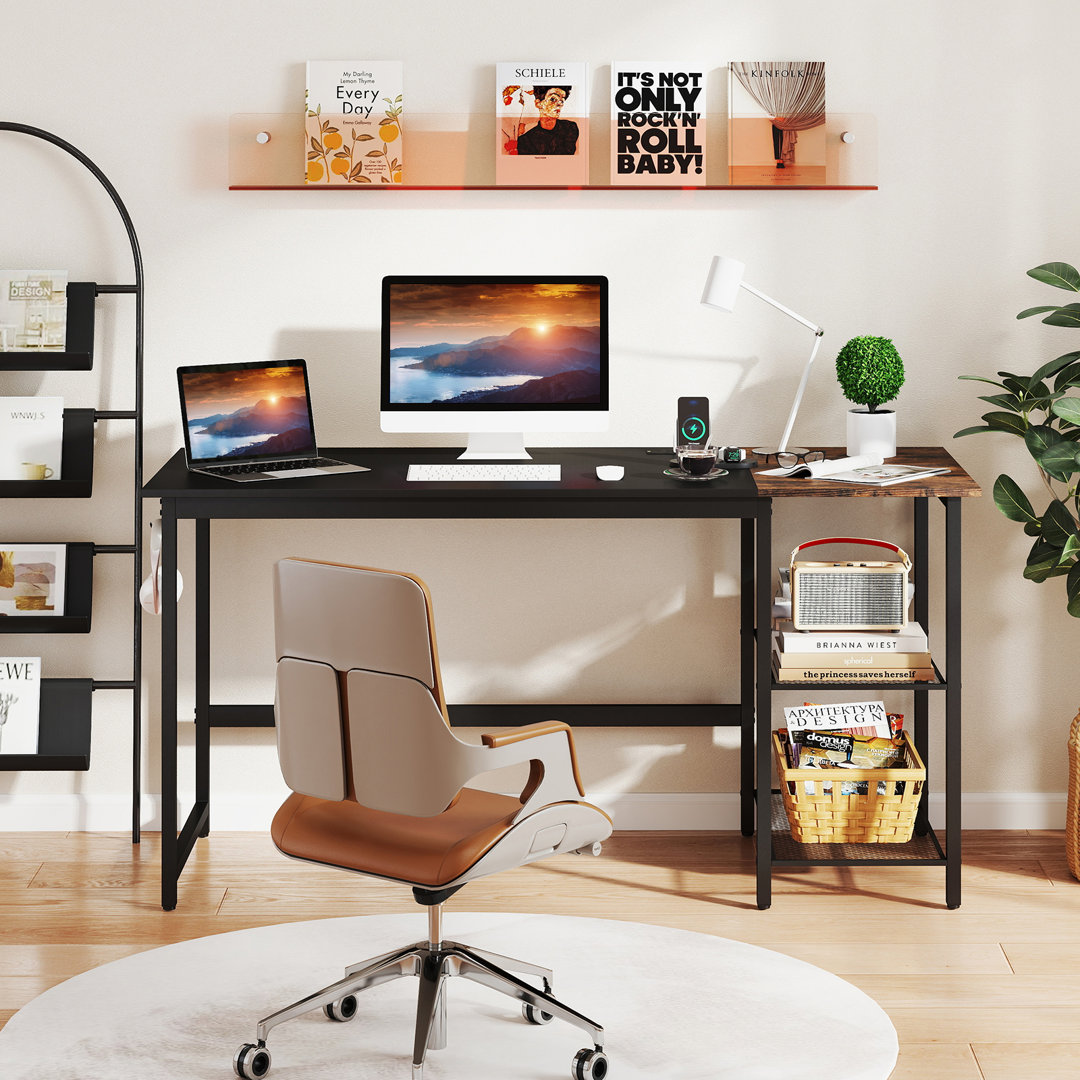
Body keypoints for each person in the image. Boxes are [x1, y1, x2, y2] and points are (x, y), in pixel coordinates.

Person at [516, 84, 579, 156]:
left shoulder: (570, 128)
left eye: (562, 101)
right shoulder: (525, 140)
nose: (559, 104)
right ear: (538, 104)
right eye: (553, 99)